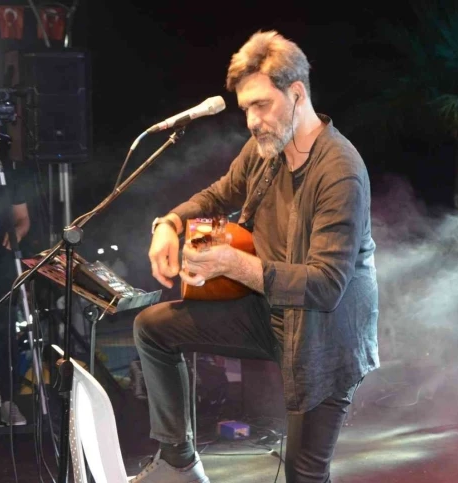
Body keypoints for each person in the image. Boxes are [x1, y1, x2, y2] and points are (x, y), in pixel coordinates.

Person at [132, 30, 379, 483]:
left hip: (325, 336)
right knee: (153, 329)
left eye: (261, 105)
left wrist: (231, 263)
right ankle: (179, 463)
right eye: (246, 108)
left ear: (297, 93)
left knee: (304, 475)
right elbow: (217, 195)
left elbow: (325, 286)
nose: (251, 120)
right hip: (270, 313)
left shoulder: (340, 171)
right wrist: (168, 223)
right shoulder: (266, 150)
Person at [0, 121, 30, 425]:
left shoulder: (6, 173)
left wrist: (16, 232)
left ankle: (8, 400)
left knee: (5, 330)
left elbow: (22, 218)